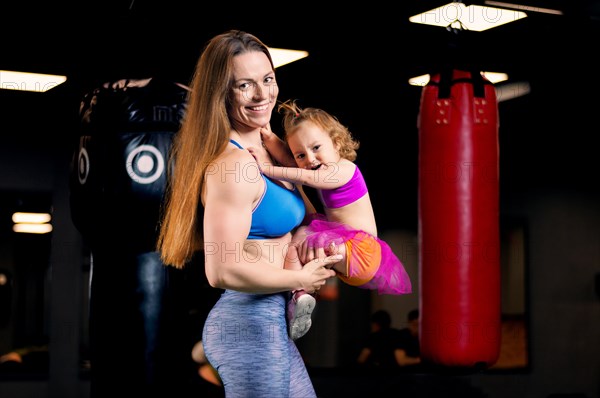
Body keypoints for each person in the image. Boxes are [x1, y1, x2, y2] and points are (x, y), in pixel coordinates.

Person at [156, 30, 339, 398]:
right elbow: (221, 269)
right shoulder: (234, 165)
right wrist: (299, 277)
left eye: (267, 79)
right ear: (221, 93)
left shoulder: (273, 149)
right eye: (245, 85)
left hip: (270, 319)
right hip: (248, 320)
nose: (262, 94)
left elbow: (311, 218)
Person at [251, 100, 412, 339]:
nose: (310, 158)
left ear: (336, 143)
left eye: (316, 148)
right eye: (301, 154)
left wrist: (266, 169)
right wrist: (268, 136)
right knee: (300, 238)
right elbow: (289, 161)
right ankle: (300, 295)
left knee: (306, 236)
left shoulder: (344, 169)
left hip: (362, 251)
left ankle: (300, 290)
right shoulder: (315, 166)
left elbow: (300, 174)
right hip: (345, 246)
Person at [356, 309, 421, 370]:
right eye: (415, 325)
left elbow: (362, 359)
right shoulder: (398, 334)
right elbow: (401, 361)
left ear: (375, 324)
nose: (417, 328)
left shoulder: (373, 337)